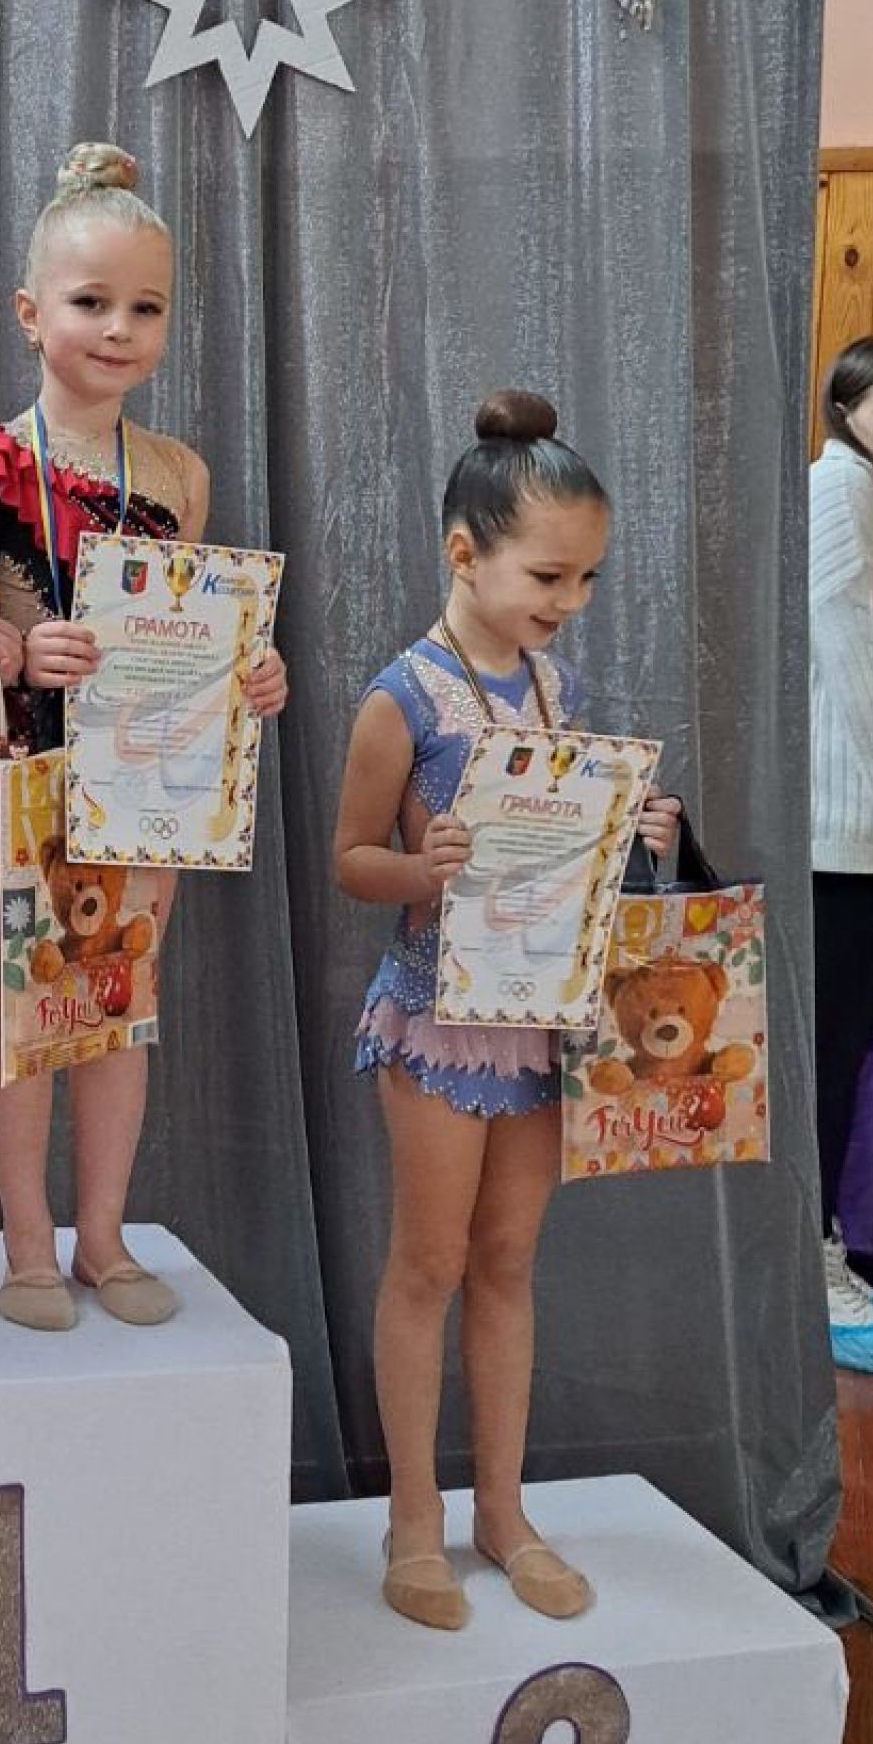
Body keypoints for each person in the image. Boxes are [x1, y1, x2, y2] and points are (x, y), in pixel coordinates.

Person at [332, 392, 679, 1631]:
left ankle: (504, 1508)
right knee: (427, 1260)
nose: (569, 598)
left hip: (539, 1019)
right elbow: (350, 859)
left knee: (509, 1261)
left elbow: (559, 854)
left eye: (587, 577)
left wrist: (636, 832)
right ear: (464, 552)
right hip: (436, 1018)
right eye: (548, 574)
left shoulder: (554, 687)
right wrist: (419, 868)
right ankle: (411, 1517)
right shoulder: (404, 698)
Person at [0, 144, 287, 1330]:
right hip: (23, 762)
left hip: (147, 774)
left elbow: (196, 623)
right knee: (28, 999)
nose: (120, 328)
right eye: (91, 301)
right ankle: (28, 1243)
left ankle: (105, 1233)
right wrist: (17, 646)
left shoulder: (178, 472)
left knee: (120, 997)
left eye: (146, 306)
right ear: (32, 313)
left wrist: (250, 673)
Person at [810, 336, 873, 1364]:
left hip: (862, 828)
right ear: (848, 404)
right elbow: (843, 638)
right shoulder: (839, 486)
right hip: (846, 826)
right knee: (833, 1048)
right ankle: (818, 1255)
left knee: (853, 1045)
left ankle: (831, 1246)